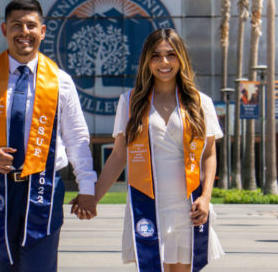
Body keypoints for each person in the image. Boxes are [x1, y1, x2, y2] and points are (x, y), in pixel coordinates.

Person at [0, 0, 97, 272]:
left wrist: (87, 188)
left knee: (40, 267)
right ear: (5, 30)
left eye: (31, 25)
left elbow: (77, 138)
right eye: (17, 25)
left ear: (42, 31)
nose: (24, 32)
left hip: (44, 189)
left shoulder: (61, 82)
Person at [91, 28, 224, 272]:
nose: (164, 62)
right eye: (156, 55)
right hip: (149, 205)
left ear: (181, 58)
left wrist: (205, 197)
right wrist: (93, 197)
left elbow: (208, 154)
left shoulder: (199, 102)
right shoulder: (130, 102)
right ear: (146, 61)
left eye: (171, 54)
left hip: (188, 206)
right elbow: (119, 155)